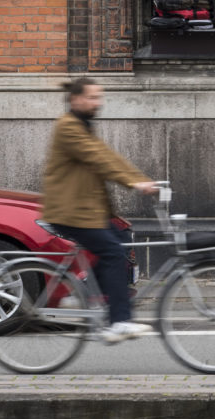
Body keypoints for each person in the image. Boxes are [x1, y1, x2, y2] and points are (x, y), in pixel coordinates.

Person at [42, 77, 162, 342]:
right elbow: (99, 159)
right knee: (112, 253)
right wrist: (134, 182)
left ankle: (81, 293)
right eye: (93, 97)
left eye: (99, 97)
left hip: (86, 209)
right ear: (77, 100)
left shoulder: (83, 126)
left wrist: (140, 178)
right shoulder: (68, 127)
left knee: (119, 241)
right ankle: (119, 322)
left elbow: (108, 155)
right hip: (71, 211)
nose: (99, 102)